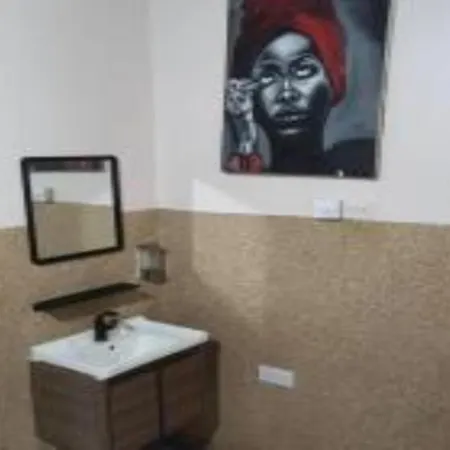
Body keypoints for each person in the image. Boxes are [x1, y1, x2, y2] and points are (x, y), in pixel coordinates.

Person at [223, 0, 375, 177]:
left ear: (332, 80)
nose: (287, 93)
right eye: (269, 75)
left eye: (303, 70)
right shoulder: (243, 170)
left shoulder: (362, 161)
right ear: (247, 92)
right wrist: (245, 142)